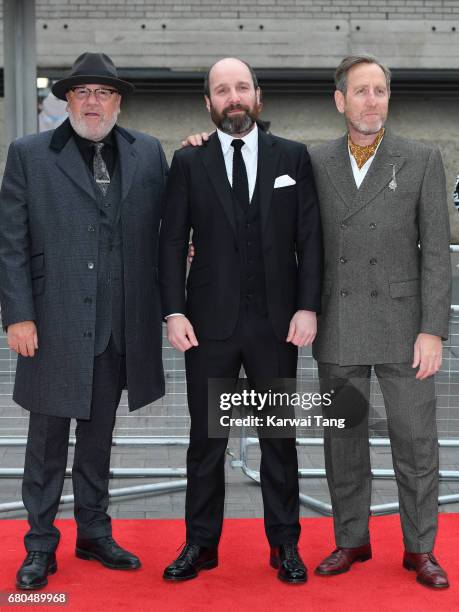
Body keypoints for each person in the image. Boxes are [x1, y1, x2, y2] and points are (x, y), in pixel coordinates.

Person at [0, 52, 167, 590]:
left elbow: (166, 226)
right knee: (46, 445)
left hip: (119, 326)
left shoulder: (147, 153)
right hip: (51, 325)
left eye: (103, 93)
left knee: (99, 440)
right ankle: (40, 545)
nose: (93, 102)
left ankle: (94, 532)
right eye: (83, 93)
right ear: (68, 100)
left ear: (117, 100)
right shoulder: (28, 154)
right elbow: (11, 245)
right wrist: (18, 316)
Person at [159, 57, 322, 584]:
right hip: (209, 328)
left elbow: (310, 241)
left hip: (277, 327)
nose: (233, 97)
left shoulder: (293, 158)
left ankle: (284, 546)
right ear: (208, 104)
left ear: (258, 96)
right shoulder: (187, 163)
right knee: (205, 442)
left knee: (279, 440)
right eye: (222, 90)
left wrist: (307, 305)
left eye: (242, 87)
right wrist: (174, 309)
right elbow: (169, 244)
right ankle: (201, 545)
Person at [310, 55, 451, 589]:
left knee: (416, 443)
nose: (372, 100)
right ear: (340, 100)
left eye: (380, 91)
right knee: (343, 443)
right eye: (361, 91)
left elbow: (437, 252)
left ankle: (421, 549)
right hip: (339, 322)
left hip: (404, 326)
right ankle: (351, 540)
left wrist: (433, 328)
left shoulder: (420, 158)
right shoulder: (315, 161)